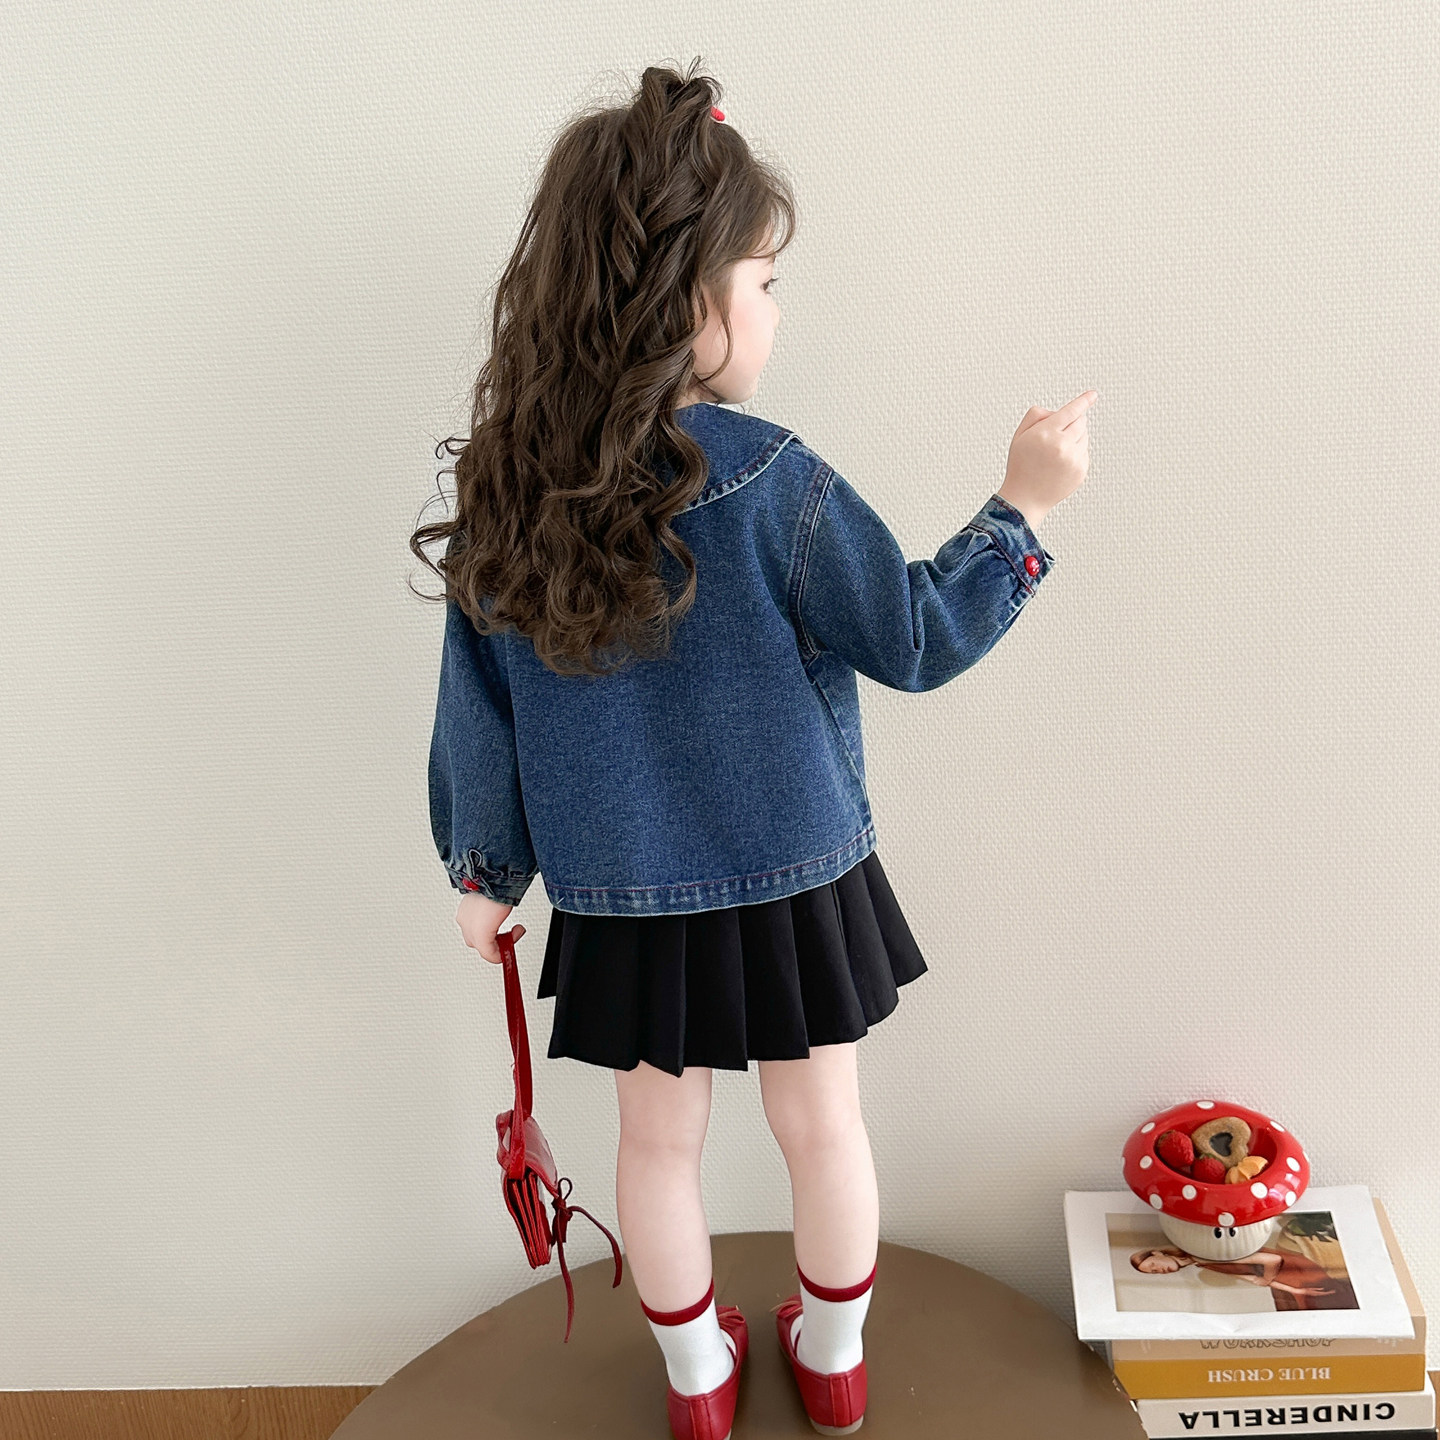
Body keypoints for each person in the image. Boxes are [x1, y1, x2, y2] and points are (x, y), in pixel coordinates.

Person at [411, 60, 1093, 1440]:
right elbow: (915, 637)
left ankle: (698, 1382)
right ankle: (832, 1360)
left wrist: (484, 873)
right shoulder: (773, 478)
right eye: (765, 282)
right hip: (796, 872)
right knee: (822, 1127)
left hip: (620, 891)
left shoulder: (515, 492)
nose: (776, 311)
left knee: (656, 1145)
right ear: (690, 302)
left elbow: (477, 699)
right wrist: (1019, 509)